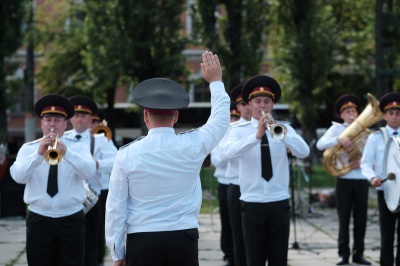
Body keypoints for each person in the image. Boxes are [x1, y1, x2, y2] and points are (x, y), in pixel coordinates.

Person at [105, 51, 230, 266]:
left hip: (142, 240)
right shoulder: (193, 145)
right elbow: (220, 121)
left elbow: (116, 207)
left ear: (145, 116)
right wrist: (216, 82)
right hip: (183, 239)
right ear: (176, 116)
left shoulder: (126, 154)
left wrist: (117, 252)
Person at [223, 75, 310, 266]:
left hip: (279, 201)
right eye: (257, 101)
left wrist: (280, 133)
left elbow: (304, 151)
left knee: (279, 258)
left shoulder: (284, 128)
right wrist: (257, 136)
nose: (262, 105)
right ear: (250, 104)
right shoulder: (239, 130)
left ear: (272, 105)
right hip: (251, 201)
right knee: (254, 258)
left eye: (267, 101)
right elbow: (228, 153)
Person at [10, 94, 96, 266]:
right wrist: (38, 155)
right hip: (39, 218)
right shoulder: (29, 149)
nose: (52, 125)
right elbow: (18, 177)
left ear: (65, 124)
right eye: (48, 120)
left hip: (71, 218)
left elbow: (89, 172)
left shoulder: (78, 147)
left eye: (57, 120)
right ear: (41, 123)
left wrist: (68, 154)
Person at [316, 94, 371, 266]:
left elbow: (372, 154)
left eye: (354, 110)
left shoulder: (365, 131)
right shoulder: (337, 129)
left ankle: (359, 254)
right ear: (341, 115)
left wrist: (361, 162)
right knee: (344, 218)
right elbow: (320, 144)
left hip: (361, 178)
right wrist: (338, 139)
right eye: (347, 111)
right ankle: (343, 254)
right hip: (344, 179)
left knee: (361, 219)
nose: (352, 114)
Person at [67, 95, 117, 266]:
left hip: (93, 197)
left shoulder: (101, 140)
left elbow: (116, 162)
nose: (80, 119)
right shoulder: (64, 139)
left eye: (84, 116)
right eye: (76, 115)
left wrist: (96, 164)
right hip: (69, 197)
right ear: (70, 117)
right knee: (70, 241)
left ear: (90, 119)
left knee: (92, 240)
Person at [361, 92, 400, 266]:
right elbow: (366, 163)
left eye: (398, 113)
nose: (394, 116)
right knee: (387, 233)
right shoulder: (375, 137)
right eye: (390, 113)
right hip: (386, 191)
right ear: (384, 115)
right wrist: (373, 177)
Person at [210, 102, 240, 266]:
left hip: (242, 182)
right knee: (227, 221)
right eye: (231, 117)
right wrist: (232, 151)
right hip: (225, 182)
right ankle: (229, 255)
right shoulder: (221, 136)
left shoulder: (243, 132)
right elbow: (216, 160)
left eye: (236, 117)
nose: (233, 120)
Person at [225, 83, 251, 266]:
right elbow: (224, 156)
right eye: (242, 104)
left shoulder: (268, 126)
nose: (246, 107)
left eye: (249, 102)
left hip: (257, 188)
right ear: (238, 107)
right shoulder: (232, 129)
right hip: (236, 184)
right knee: (238, 234)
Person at [90, 109, 117, 266]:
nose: (91, 125)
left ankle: (98, 259)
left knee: (99, 229)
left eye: (94, 122)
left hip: (102, 189)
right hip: (79, 190)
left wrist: (95, 164)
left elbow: (115, 162)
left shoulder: (104, 139)